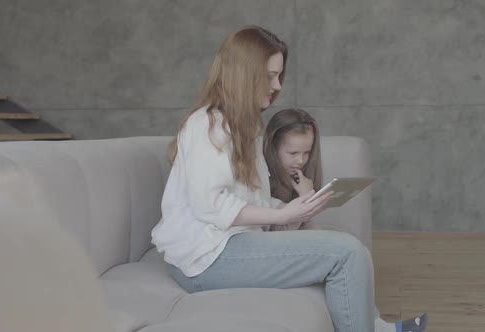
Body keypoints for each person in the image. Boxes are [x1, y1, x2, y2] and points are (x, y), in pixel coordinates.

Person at [151, 25, 428, 332]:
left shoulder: (246, 126)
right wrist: (282, 213)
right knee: (347, 253)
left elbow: (249, 201)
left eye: (279, 75)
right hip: (206, 261)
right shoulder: (208, 125)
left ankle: (379, 327)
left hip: (230, 245)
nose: (277, 84)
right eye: (269, 75)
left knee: (347, 251)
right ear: (245, 74)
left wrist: (299, 207)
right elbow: (209, 205)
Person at [263, 108, 322, 231]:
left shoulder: (302, 181)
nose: (301, 160)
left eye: (307, 152)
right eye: (293, 153)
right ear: (273, 149)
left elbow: (309, 231)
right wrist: (305, 199)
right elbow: (282, 236)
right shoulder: (262, 183)